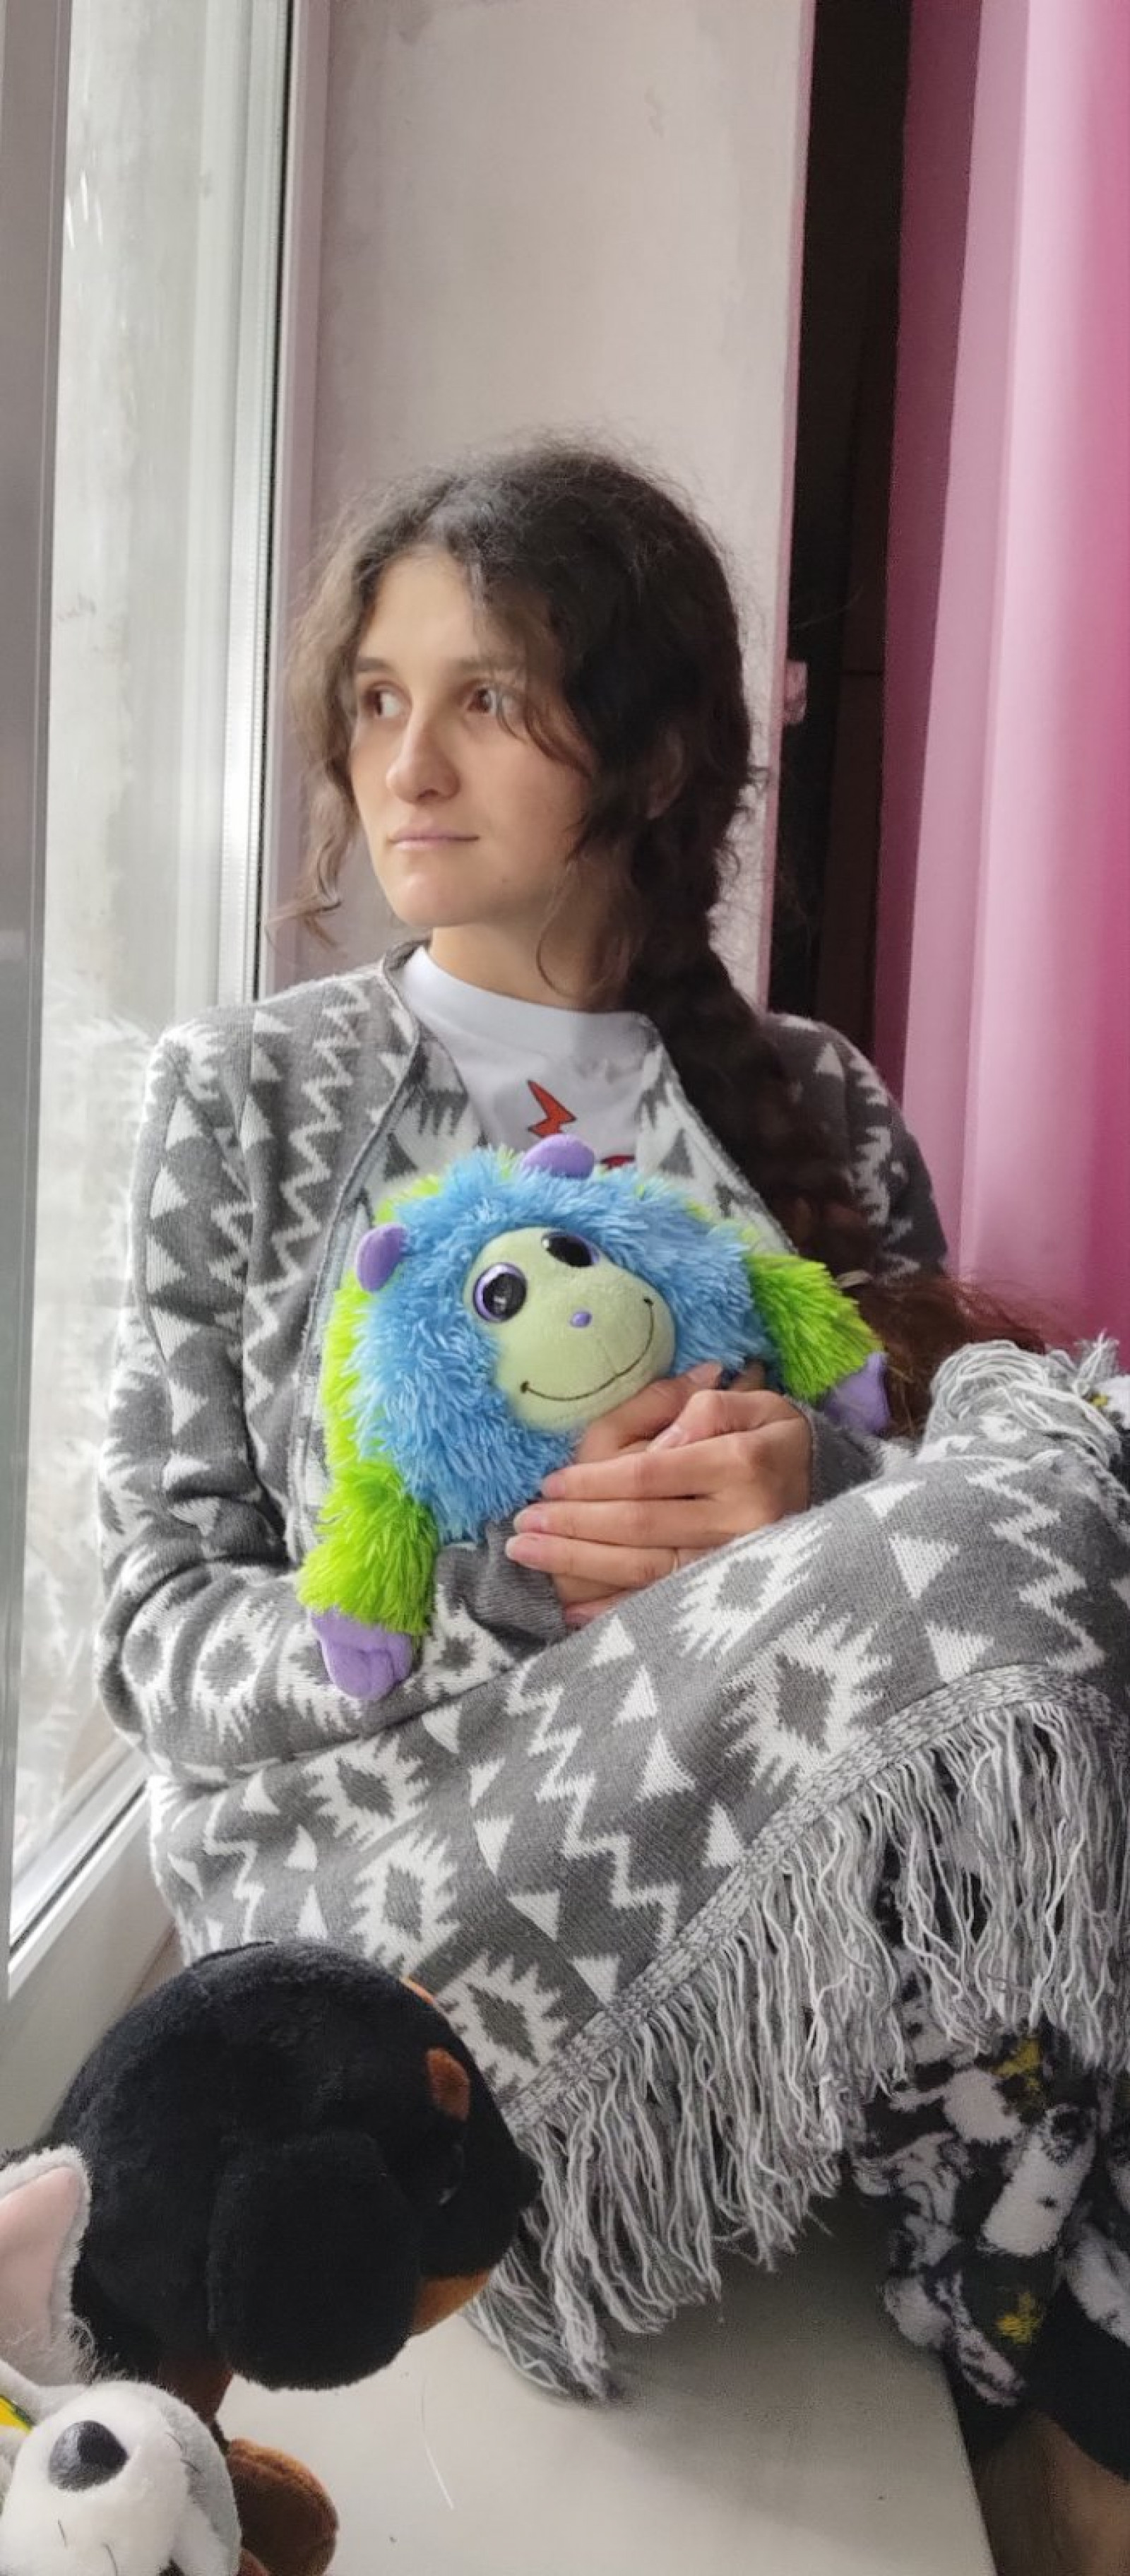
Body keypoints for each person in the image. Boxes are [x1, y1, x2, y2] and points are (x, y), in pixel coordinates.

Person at [97, 441, 1130, 2573]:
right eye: (376, 700)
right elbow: (155, 1624)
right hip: (393, 1879)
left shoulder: (820, 1101)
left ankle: (1045, 2342)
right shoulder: (244, 1094)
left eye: (485, 698)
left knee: (1048, 1486)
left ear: (650, 756)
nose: (405, 763)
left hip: (772, 1873)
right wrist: (461, 1603)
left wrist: (823, 1492)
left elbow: (952, 1599)